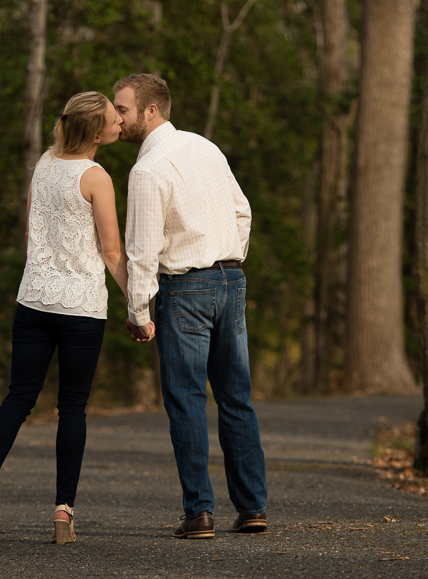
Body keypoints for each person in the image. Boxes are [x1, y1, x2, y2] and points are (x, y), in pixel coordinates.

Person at [0, 91, 143, 547]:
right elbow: (113, 252)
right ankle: (63, 514)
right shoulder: (97, 177)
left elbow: (30, 232)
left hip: (33, 300)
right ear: (97, 133)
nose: (120, 120)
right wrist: (140, 306)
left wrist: (42, 271)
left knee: (19, 398)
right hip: (80, 309)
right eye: (113, 117)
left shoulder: (45, 163)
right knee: (72, 407)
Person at [114, 73, 267, 539]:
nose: (115, 118)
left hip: (185, 289)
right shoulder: (205, 146)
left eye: (122, 110)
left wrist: (138, 312)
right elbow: (243, 211)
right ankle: (252, 508)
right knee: (235, 397)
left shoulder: (146, 170)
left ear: (150, 111)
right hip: (231, 279)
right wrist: (227, 255)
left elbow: (141, 251)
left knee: (186, 400)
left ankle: (200, 513)